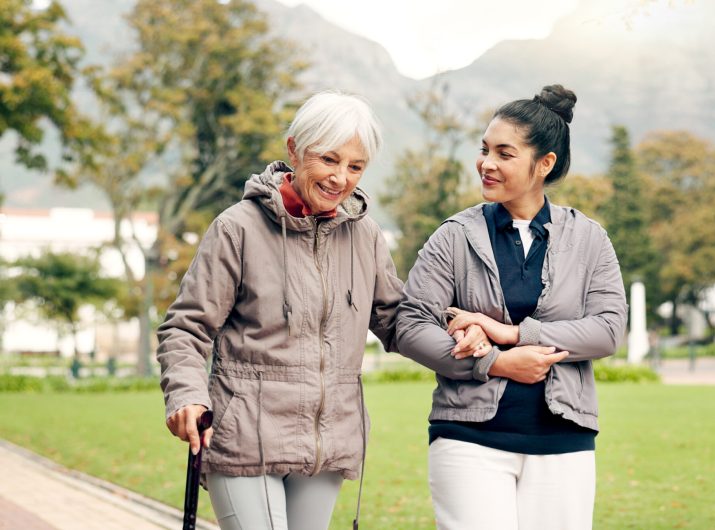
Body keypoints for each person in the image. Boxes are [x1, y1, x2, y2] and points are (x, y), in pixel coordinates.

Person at [156, 91, 405, 530]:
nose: (341, 178)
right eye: (328, 159)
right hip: (246, 436)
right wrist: (186, 394)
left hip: (329, 442)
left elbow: (395, 319)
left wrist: (459, 325)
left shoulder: (365, 236)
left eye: (355, 166)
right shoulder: (238, 228)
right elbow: (186, 327)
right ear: (294, 149)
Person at [396, 84, 628, 530]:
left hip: (564, 441)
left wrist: (516, 333)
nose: (486, 163)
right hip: (468, 439)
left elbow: (608, 329)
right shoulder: (454, 236)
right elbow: (409, 324)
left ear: (544, 164)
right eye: (484, 150)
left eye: (504, 153)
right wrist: (497, 363)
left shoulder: (589, 238)